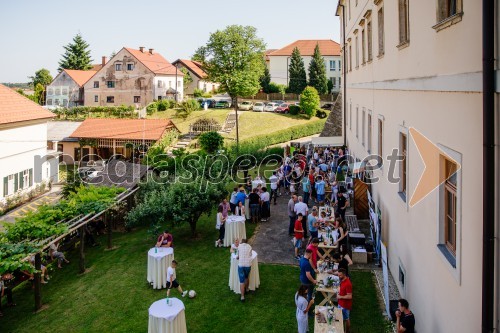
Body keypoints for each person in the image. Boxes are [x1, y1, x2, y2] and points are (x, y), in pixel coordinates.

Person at [337, 268, 353, 333]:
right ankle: (341, 330)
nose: (339, 276)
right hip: (340, 303)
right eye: (338, 275)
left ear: (344, 275)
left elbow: (350, 296)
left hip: (345, 305)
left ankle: (347, 331)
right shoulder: (342, 280)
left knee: (346, 319)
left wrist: (340, 296)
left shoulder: (348, 284)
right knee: (341, 318)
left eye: (340, 275)